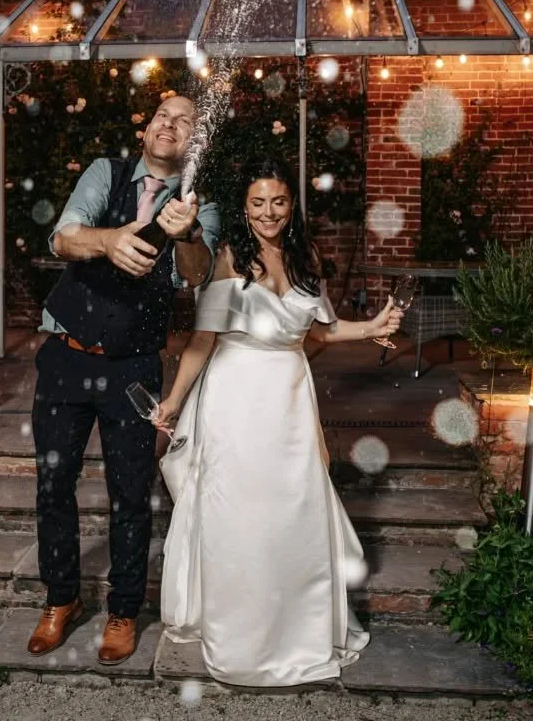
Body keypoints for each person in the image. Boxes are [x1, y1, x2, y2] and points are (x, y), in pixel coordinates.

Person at [151, 158, 403, 687]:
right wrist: (173, 401)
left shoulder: (305, 255)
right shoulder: (227, 258)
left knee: (292, 511)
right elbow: (204, 339)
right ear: (245, 209)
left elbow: (318, 334)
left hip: (289, 402)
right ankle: (241, 637)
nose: (269, 213)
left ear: (292, 206)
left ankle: (297, 632)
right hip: (235, 398)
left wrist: (374, 326)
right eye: (258, 203)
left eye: (279, 201)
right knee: (240, 516)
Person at [27, 93, 220, 666]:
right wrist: (109, 240)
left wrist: (184, 236)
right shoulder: (104, 174)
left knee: (130, 495)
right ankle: (61, 600)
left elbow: (197, 275)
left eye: (184, 121)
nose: (171, 125)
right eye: (163, 116)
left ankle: (123, 610)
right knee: (52, 486)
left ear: (192, 143)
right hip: (66, 357)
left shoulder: (196, 206)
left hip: (134, 368)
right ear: (146, 129)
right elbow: (61, 237)